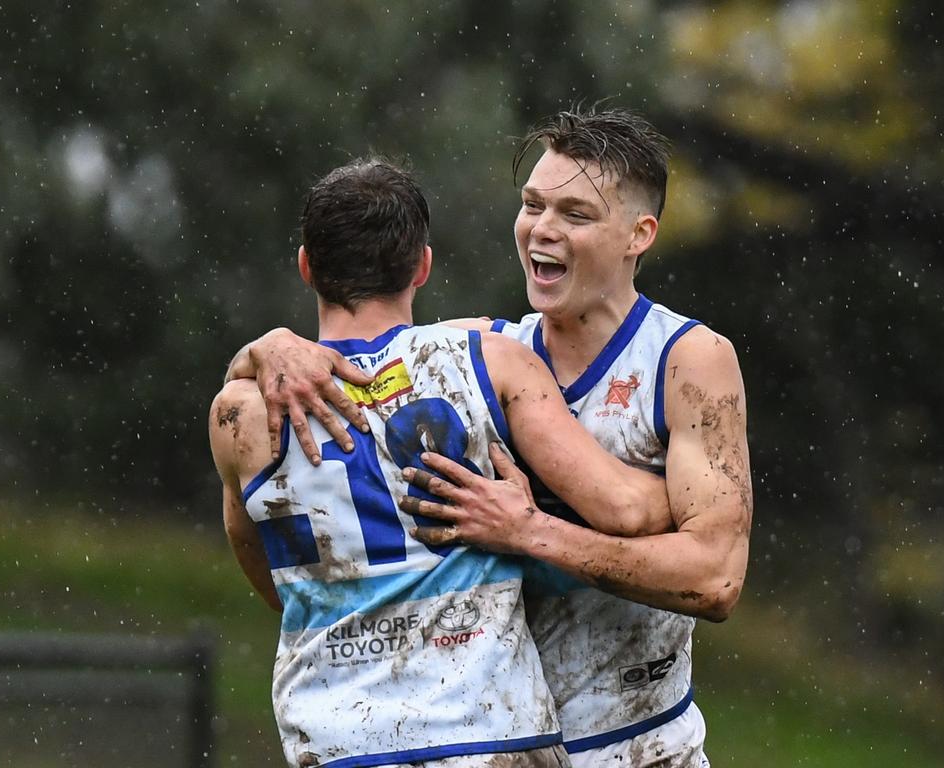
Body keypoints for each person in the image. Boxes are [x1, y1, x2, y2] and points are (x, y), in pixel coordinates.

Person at [228, 106, 752, 767]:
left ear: (638, 234)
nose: (543, 229)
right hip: (495, 746)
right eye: (533, 205)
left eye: (575, 214)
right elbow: (356, 356)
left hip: (638, 748)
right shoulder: (482, 355)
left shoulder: (688, 361)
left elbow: (715, 580)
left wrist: (531, 532)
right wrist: (267, 349)